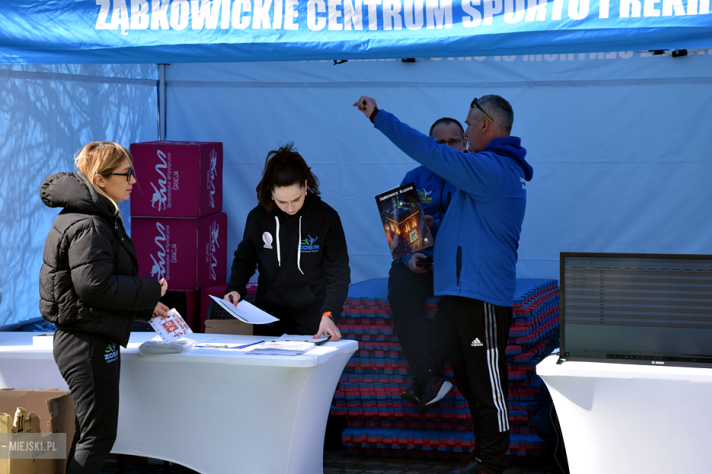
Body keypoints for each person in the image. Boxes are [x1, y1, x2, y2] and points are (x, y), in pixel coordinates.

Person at [354, 95, 533, 474]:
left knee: (486, 383)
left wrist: (379, 117)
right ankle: (480, 448)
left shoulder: (491, 168)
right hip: (460, 294)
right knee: (468, 379)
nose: (463, 135)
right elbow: (428, 230)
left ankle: (492, 460)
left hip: (480, 296)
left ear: (485, 126)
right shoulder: (476, 174)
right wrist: (419, 244)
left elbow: (427, 151)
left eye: (467, 127)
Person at [38, 141, 169, 474]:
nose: (134, 180)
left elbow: (94, 287)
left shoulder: (94, 216)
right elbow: (94, 287)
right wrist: (150, 289)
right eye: (127, 174)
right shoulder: (90, 224)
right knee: (97, 437)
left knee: (92, 434)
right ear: (99, 180)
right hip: (86, 343)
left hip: (90, 337)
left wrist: (145, 306)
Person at [224, 143, 350, 340]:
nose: (290, 208)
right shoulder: (258, 218)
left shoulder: (326, 218)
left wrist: (329, 315)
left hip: (314, 316)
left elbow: (338, 273)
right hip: (268, 314)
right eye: (282, 202)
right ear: (271, 193)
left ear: (305, 186)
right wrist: (235, 288)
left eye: (296, 199)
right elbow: (244, 260)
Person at [388, 117, 464, 412]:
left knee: (455, 300)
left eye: (453, 141)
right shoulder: (414, 176)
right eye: (439, 143)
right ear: (430, 146)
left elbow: (471, 225)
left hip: (457, 261)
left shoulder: (474, 175)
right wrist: (409, 258)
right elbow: (399, 230)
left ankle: (426, 378)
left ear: (464, 143)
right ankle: (428, 376)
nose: (446, 147)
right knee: (399, 290)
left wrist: (438, 226)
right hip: (422, 260)